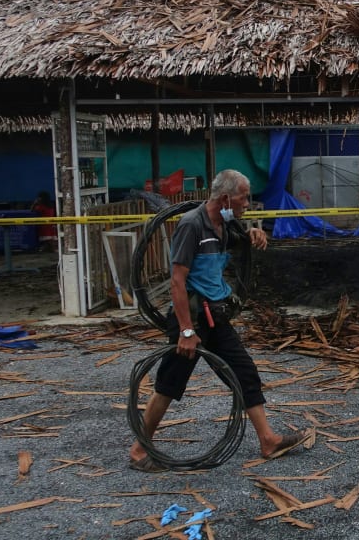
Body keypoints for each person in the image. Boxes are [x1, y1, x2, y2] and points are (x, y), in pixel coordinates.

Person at [128, 169, 313, 472]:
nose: (247, 203)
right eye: (243, 197)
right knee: (169, 384)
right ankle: (138, 450)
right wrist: (186, 330)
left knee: (245, 372)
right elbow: (177, 281)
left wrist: (253, 232)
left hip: (216, 315)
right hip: (192, 318)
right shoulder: (191, 225)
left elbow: (238, 240)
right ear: (227, 197)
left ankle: (268, 440)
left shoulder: (224, 223)